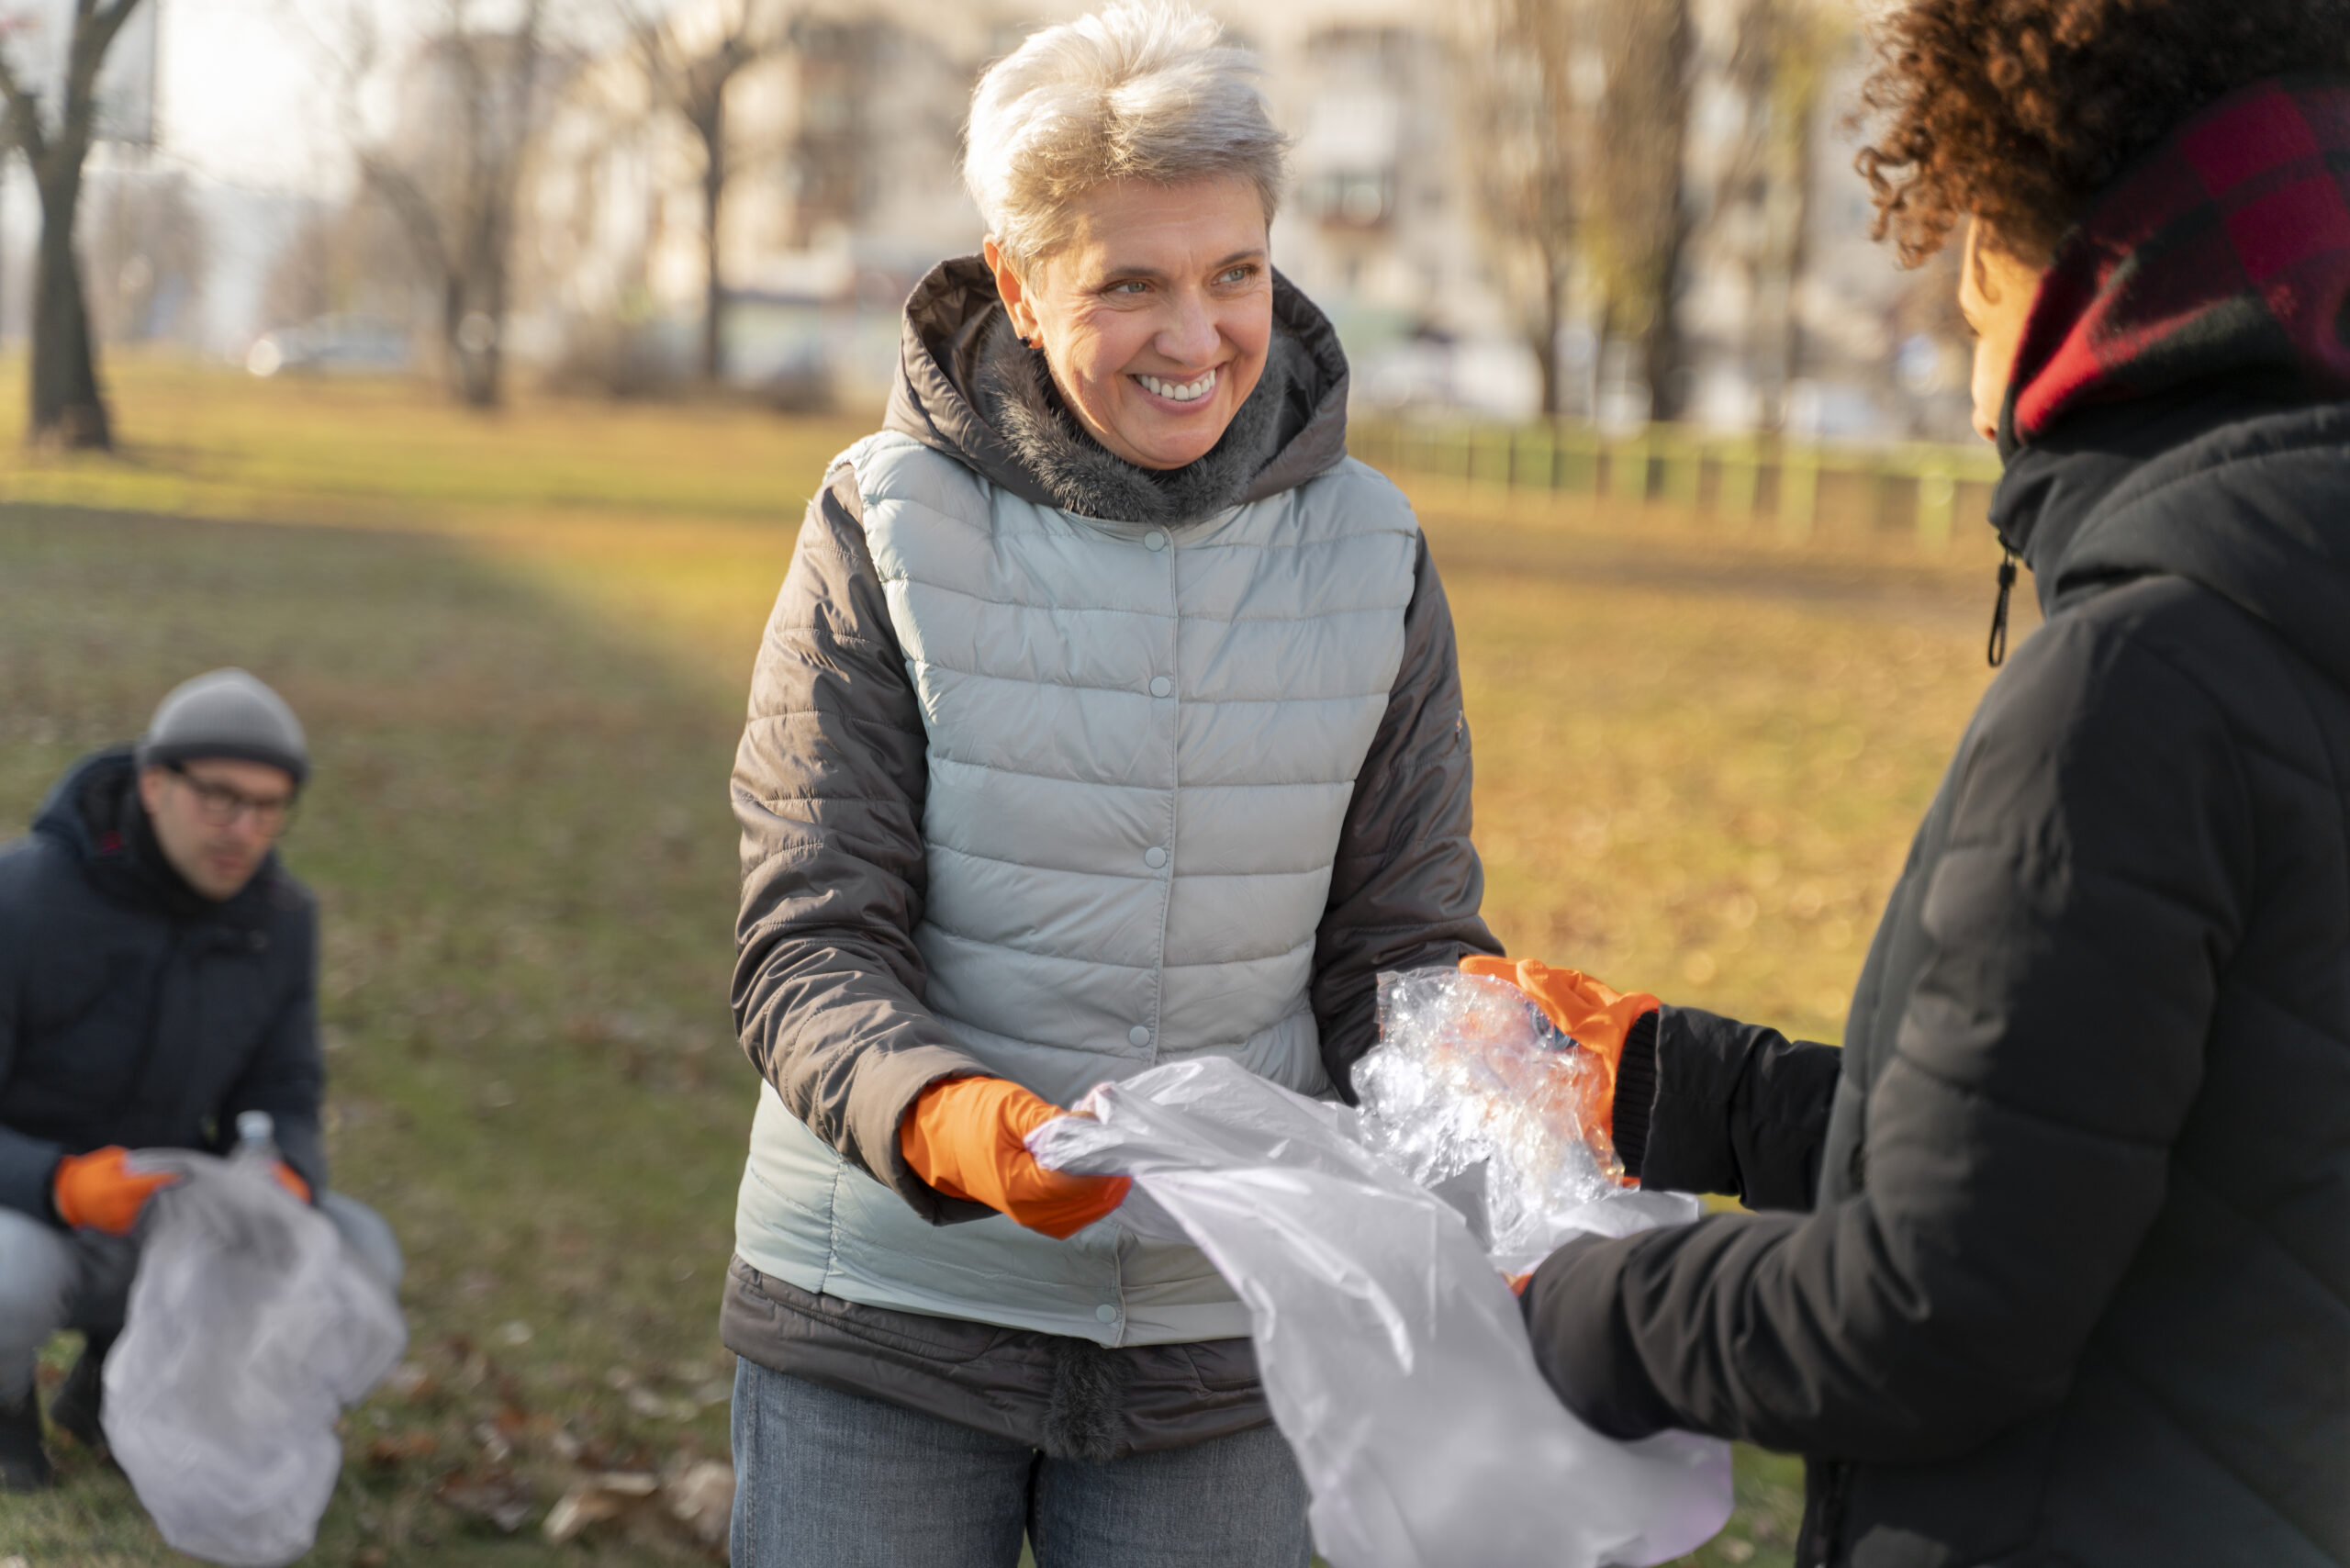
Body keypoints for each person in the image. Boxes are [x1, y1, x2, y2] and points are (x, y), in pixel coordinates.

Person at [1502, 6, 2350, 1566]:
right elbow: (2136, 1155)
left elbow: (1934, 1306)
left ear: (2008, 261)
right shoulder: (2290, 601)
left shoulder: (2139, 680)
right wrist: (1704, 1094)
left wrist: (1567, 1302)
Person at [720, 4, 1496, 1562]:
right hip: (888, 1311)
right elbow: (809, 941)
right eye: (1129, 282)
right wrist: (950, 1119)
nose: (1196, 335)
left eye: (1234, 274)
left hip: (1227, 1336)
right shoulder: (881, 525)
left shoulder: (1377, 552)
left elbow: (1401, 953)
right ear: (1015, 282)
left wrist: (1508, 1153)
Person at [0, 668, 402, 1491]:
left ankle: (111, 1388)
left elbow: (285, 1090)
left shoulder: (280, 921)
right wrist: (62, 1184)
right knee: (6, 1276)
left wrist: (287, 1170)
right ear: (154, 784)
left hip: (176, 1213)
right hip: (30, 1210)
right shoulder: (23, 899)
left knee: (360, 1253)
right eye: (219, 798)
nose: (244, 829)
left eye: (268, 806)